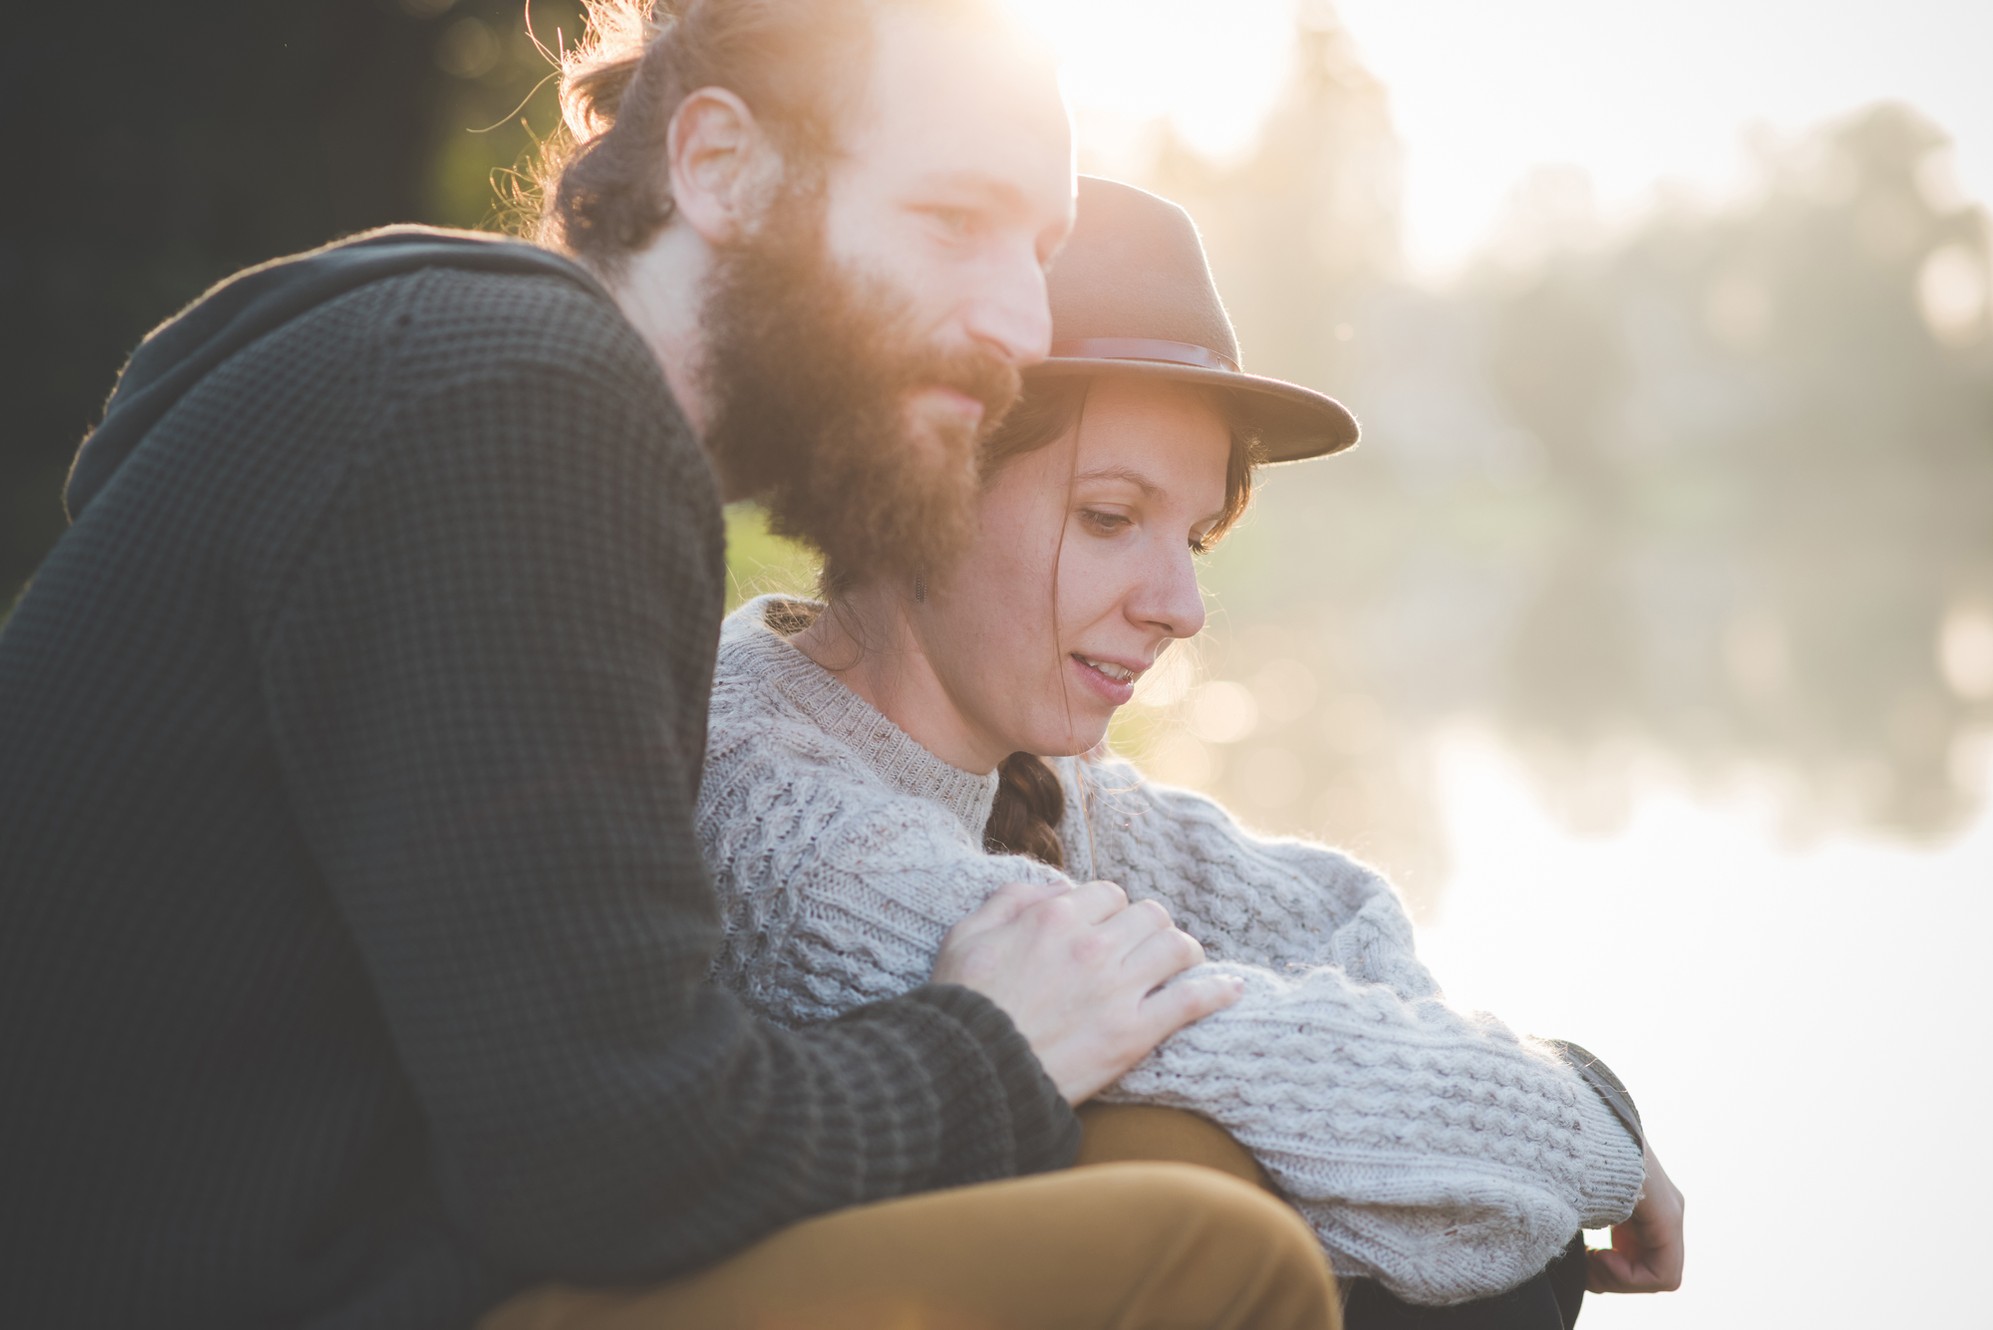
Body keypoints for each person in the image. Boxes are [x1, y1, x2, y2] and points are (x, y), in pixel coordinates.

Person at [0, 5, 1345, 1329]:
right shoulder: (515, 407)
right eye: (953, 222)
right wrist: (990, 1044)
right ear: (721, 169)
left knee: (1164, 1157)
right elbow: (615, 1160)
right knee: (1212, 1252)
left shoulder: (510, 388)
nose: (1017, 317)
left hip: (400, 1240)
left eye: (1038, 248)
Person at [700, 177, 1687, 1327]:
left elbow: (1340, 919)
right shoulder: (784, 816)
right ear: (915, 482)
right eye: (1110, 518)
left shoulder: (1038, 779)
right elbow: (1320, 1089)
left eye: (1197, 535)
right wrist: (1589, 1124)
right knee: (1278, 1188)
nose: (1181, 605)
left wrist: (1548, 1098)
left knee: (1468, 1247)